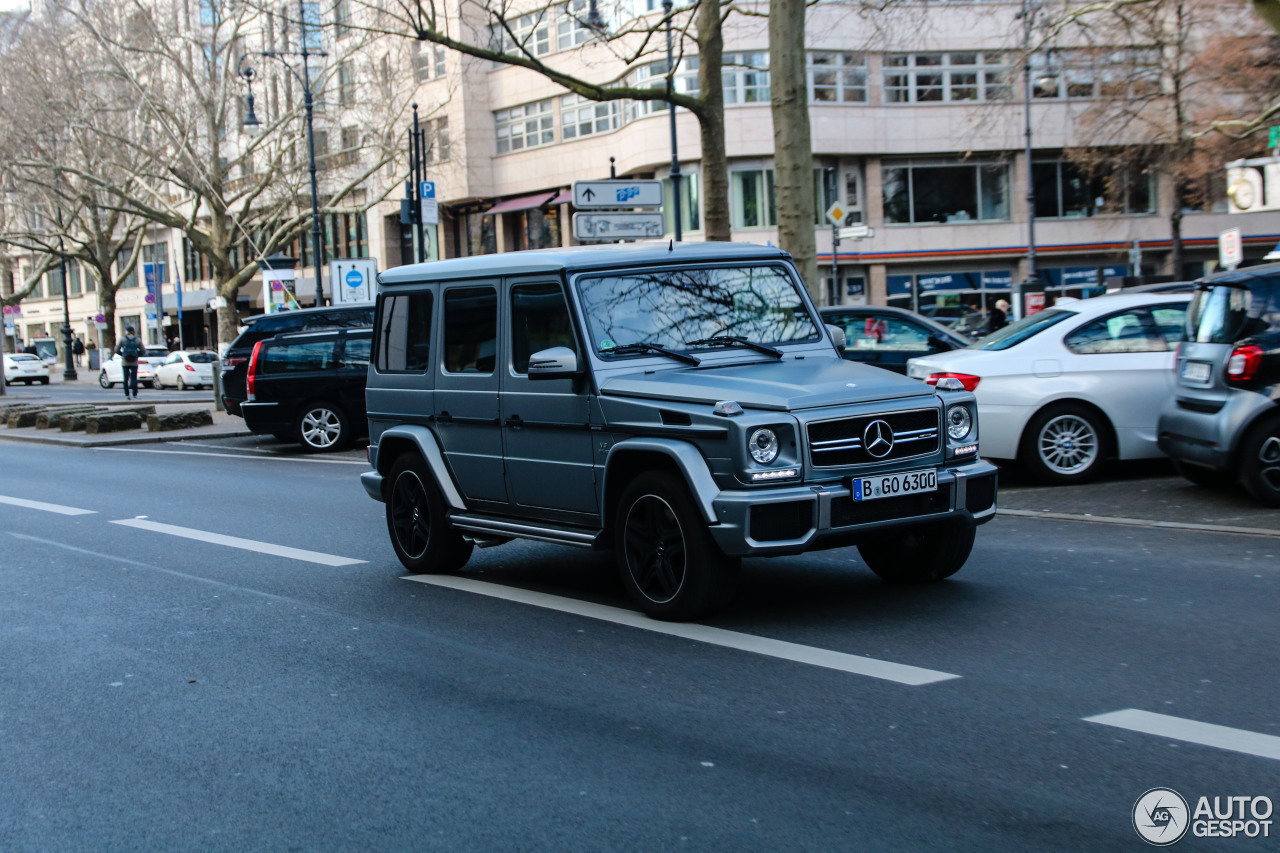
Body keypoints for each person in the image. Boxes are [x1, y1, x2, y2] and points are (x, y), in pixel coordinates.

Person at [116, 325, 144, 399]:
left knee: (125, 378)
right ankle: (135, 394)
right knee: (134, 378)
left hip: (125, 361)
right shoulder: (137, 339)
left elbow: (116, 349)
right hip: (134, 361)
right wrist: (137, 355)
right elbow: (143, 351)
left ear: (127, 331)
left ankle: (127, 394)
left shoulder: (123, 339)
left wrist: (123, 354)